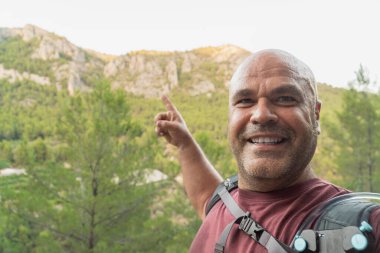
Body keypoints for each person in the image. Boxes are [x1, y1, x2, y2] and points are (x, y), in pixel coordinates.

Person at [154, 49, 380, 252]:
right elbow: (204, 198)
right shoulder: (223, 203)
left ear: (315, 115)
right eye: (244, 100)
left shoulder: (364, 225)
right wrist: (185, 144)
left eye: (285, 98)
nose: (261, 115)